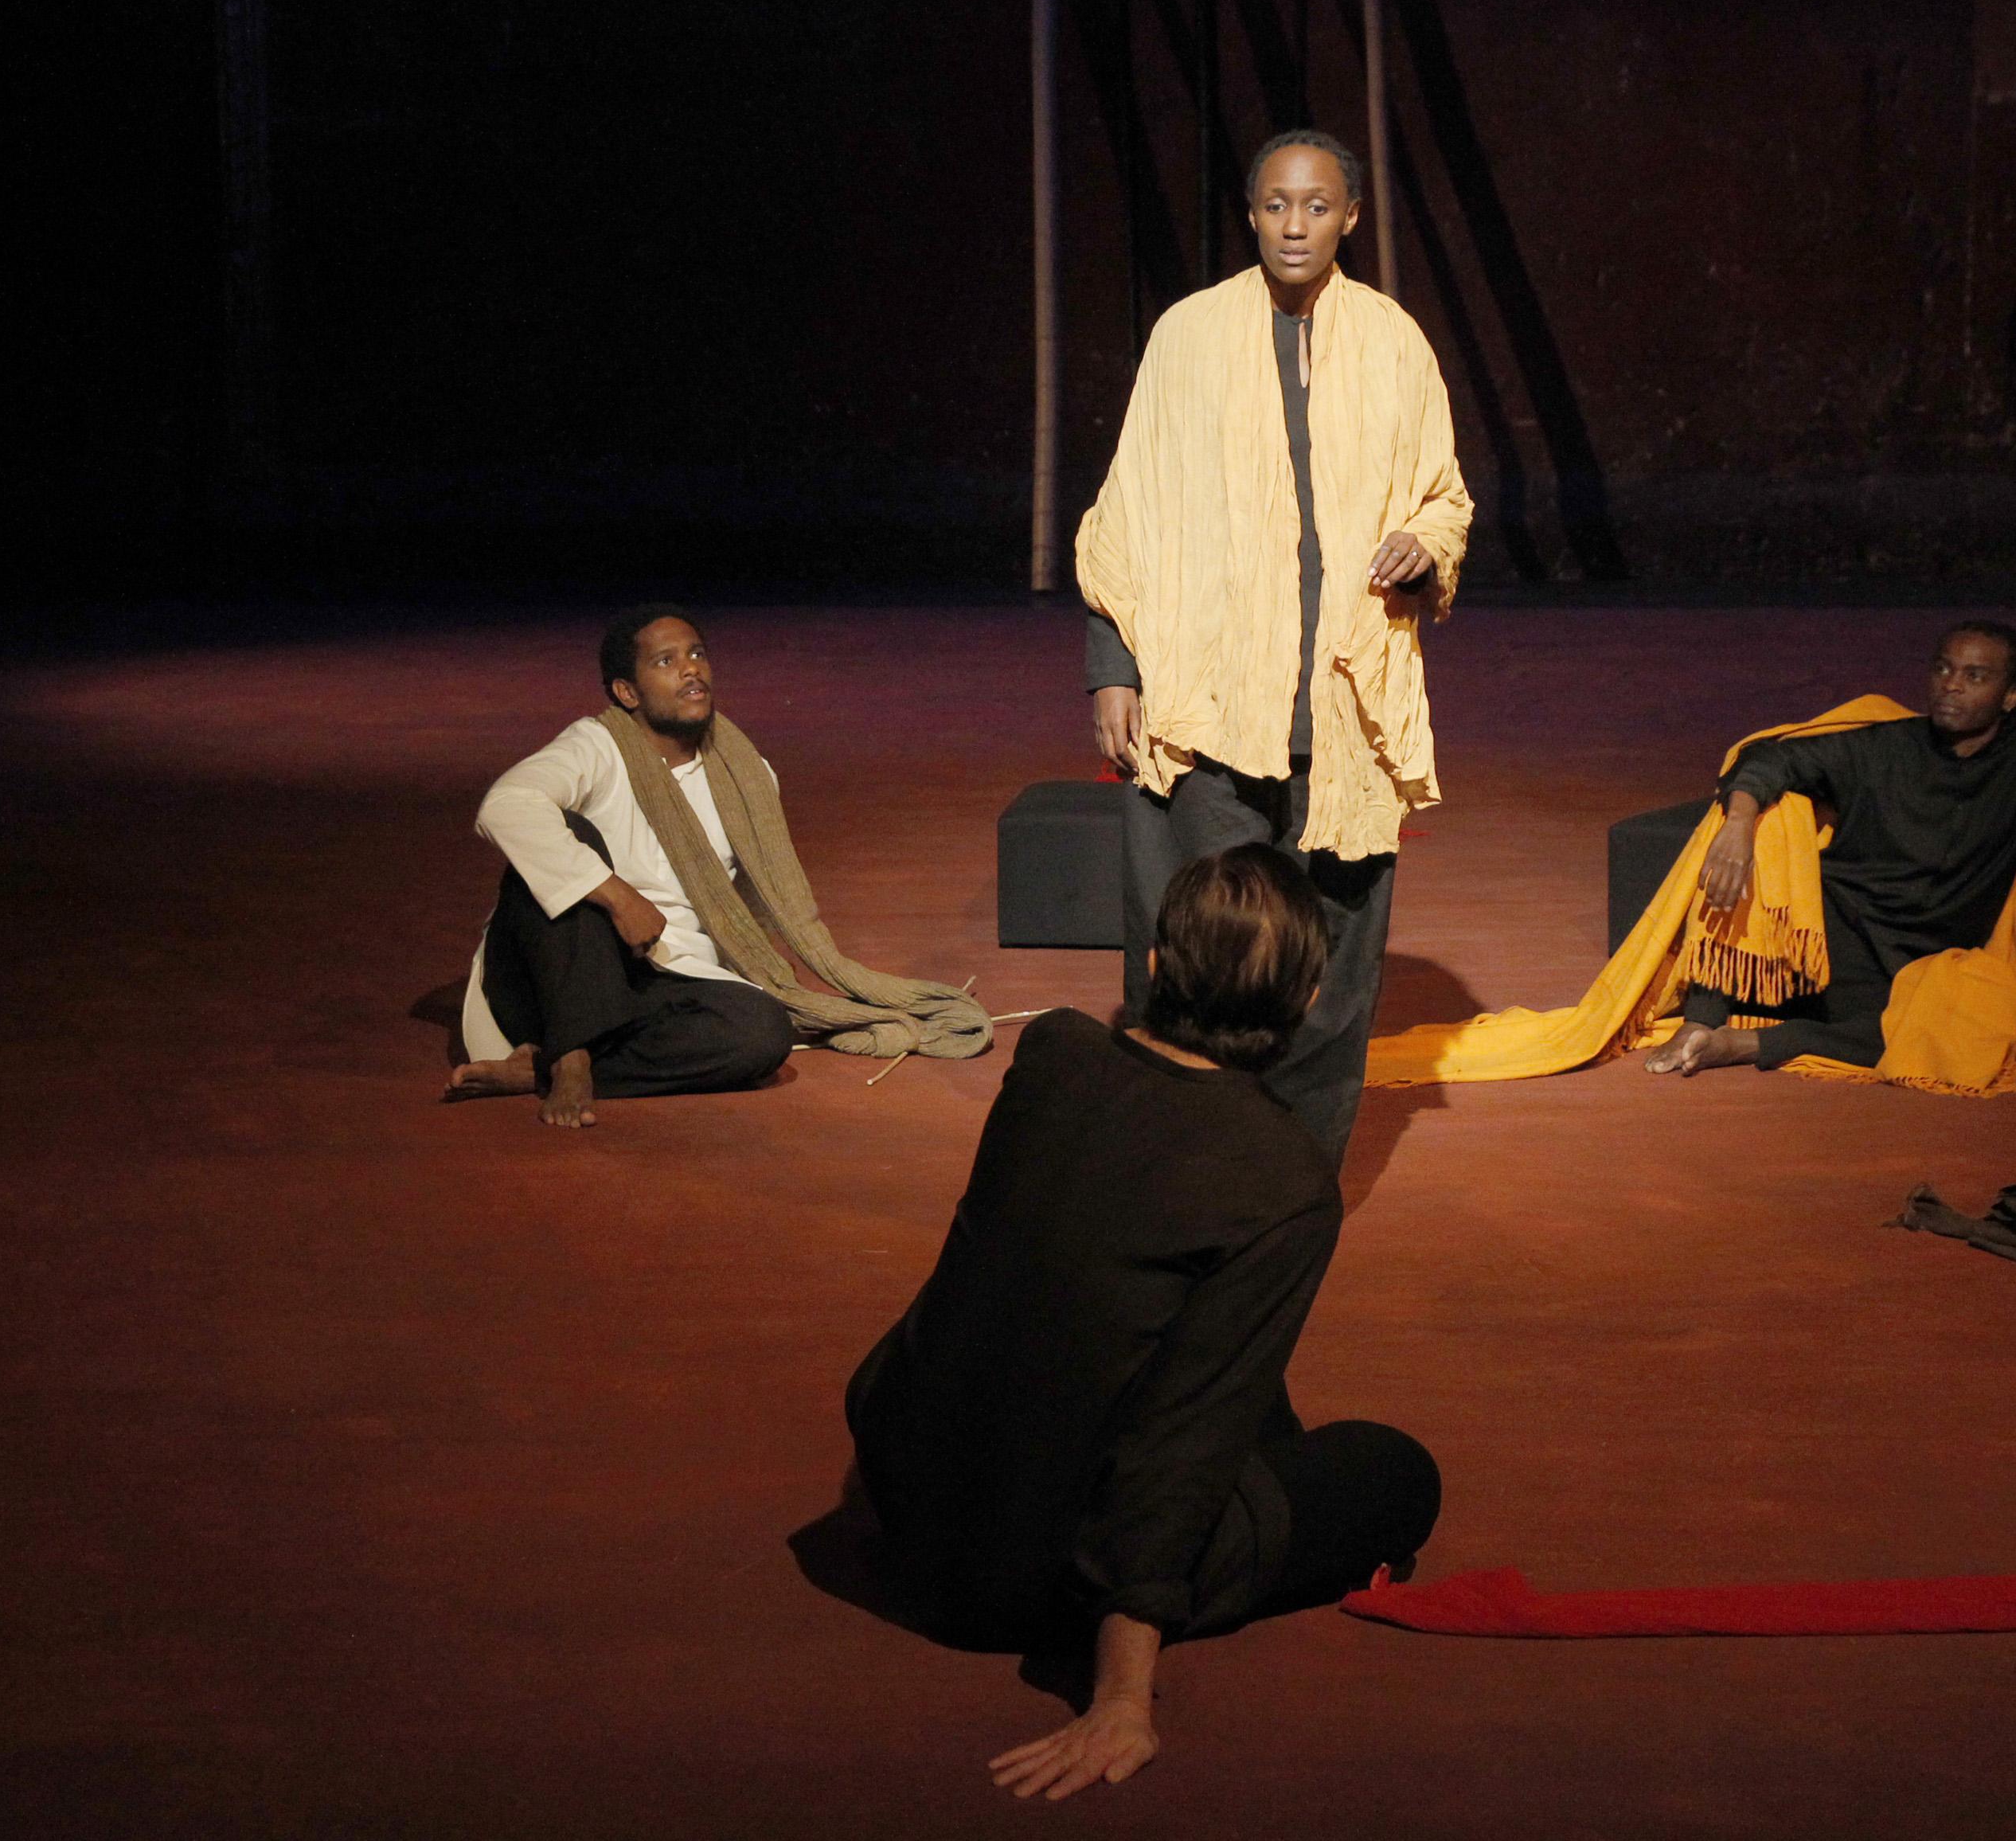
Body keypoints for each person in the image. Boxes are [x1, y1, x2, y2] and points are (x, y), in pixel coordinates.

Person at [846, 846, 1442, 1802]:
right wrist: (1124, 1689)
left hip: (903, 1488)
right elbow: (1187, 1432)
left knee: (1189, 1335)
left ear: (1158, 966)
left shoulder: (1054, 1052)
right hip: (1029, 1573)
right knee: (1393, 1472)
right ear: (1310, 996)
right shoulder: (1283, 1179)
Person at [1076, 127, 1474, 1168]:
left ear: (1350, 216)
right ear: (1251, 216)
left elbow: (1445, 498)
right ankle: (1180, 1154)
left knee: (1335, 960)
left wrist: (1422, 546)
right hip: (1210, 701)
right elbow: (1132, 511)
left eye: (1317, 204)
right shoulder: (1190, 336)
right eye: (1275, 205)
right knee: (1200, 936)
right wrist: (1112, 664)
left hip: (1342, 711)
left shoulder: (1393, 341)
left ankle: (1296, 1170)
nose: (1295, 224)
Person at [447, 604, 987, 1128]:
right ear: (626, 692)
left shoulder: (747, 776)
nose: (690, 669)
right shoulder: (597, 747)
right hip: (554, 978)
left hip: (658, 971)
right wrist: (616, 893)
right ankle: (569, 1058)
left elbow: (738, 913)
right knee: (574, 841)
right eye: (665, 661)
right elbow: (506, 804)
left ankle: (543, 1068)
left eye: (697, 654)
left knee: (761, 1033)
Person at [1647, 621, 2016, 1078]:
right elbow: (1771, 757)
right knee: (1767, 827)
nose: (1951, 686)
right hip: (1836, 934)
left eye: (1975, 676)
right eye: (1943, 670)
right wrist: (1741, 824)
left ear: (2011, 696)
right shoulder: (1882, 744)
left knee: (1933, 1032)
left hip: (1925, 954)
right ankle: (1702, 1020)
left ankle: (1741, 1045)